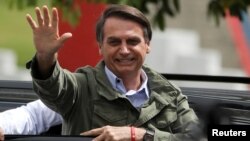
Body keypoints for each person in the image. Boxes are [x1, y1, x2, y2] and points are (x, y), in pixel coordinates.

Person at [26, 4, 201, 141]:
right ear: (100, 47)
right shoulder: (81, 86)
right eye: (114, 42)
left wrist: (140, 136)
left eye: (132, 41)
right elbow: (53, 87)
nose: (124, 50)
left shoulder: (170, 95)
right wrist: (45, 57)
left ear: (147, 45)